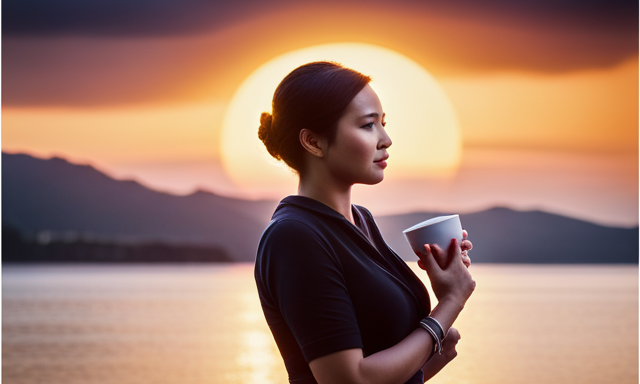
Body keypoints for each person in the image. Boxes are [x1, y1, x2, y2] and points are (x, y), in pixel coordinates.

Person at [254, 61, 476, 384]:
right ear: (313, 142)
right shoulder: (294, 237)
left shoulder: (361, 221)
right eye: (368, 125)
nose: (385, 139)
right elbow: (350, 380)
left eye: (383, 124)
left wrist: (435, 349)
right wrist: (448, 308)